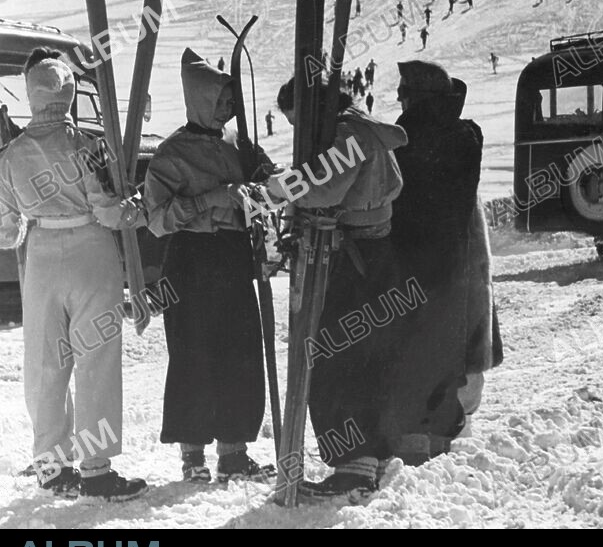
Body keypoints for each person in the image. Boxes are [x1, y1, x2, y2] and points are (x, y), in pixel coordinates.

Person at [0, 49, 147, 501]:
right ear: (67, 93)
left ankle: (51, 465)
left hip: (41, 256)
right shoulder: (87, 146)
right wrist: (133, 209)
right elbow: (107, 211)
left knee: (47, 363)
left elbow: (6, 231)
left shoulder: (12, 153)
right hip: (91, 253)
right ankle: (97, 470)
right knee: (96, 359)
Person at [268, 79, 410, 498]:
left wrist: (275, 189)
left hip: (354, 258)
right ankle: (371, 456)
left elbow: (323, 188)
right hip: (374, 252)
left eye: (298, 123)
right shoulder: (364, 128)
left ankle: (354, 464)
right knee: (364, 357)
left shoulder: (348, 135)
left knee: (336, 358)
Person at [144, 50, 274, 485]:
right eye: (221, 99)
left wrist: (259, 188)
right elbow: (157, 219)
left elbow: (269, 186)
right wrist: (208, 200)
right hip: (190, 260)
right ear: (200, 99)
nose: (229, 107)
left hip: (233, 257)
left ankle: (234, 454)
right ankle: (193, 457)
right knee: (192, 354)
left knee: (239, 352)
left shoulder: (239, 143)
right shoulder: (171, 152)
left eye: (231, 100)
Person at [390, 62, 502, 465]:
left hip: (406, 261)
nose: (399, 99)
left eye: (405, 93)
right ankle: (438, 441)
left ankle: (414, 444)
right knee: (447, 354)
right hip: (455, 264)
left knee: (410, 355)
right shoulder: (465, 135)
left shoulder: (402, 139)